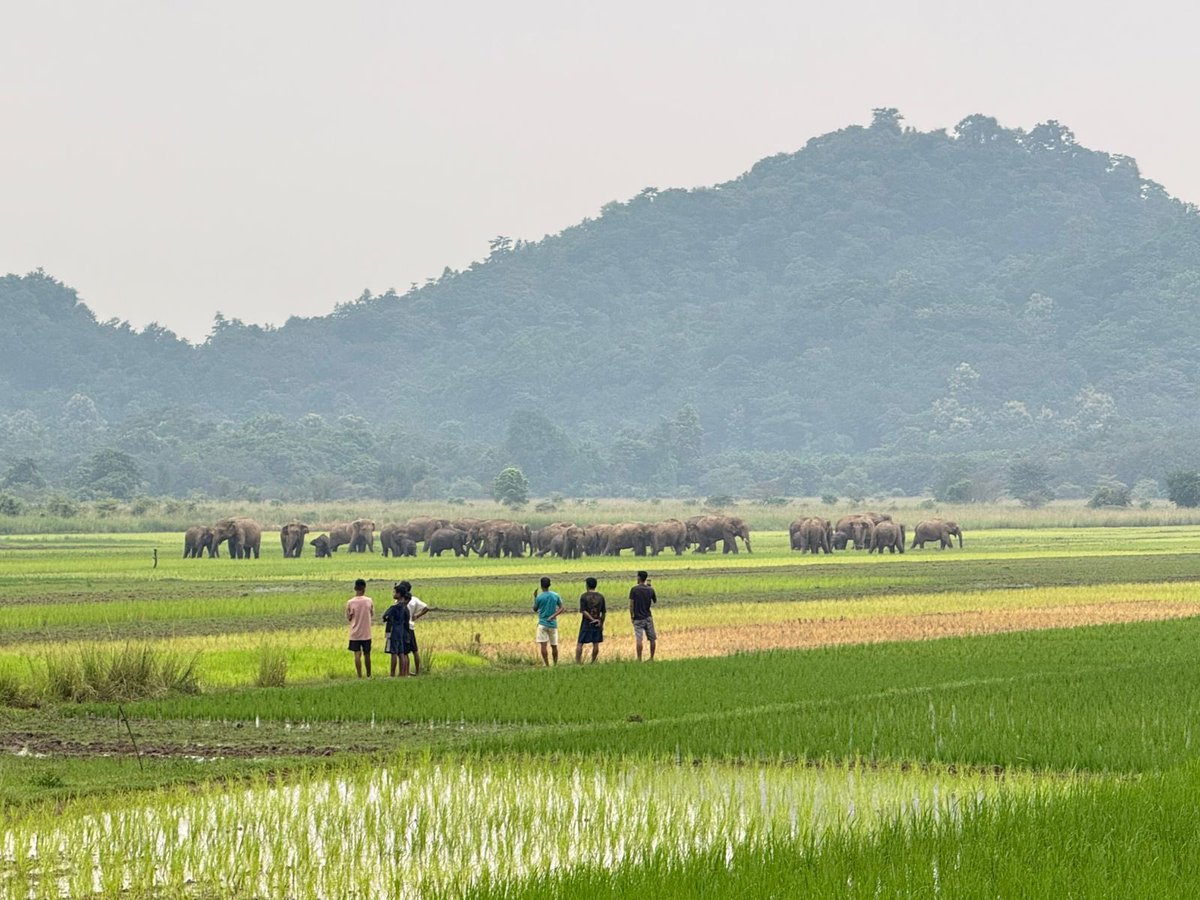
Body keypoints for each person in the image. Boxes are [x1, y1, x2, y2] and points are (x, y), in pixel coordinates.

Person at [396, 580, 430, 676]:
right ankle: (417, 672)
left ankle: (404, 672)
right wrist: (417, 616)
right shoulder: (414, 599)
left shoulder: (399, 600)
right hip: (411, 627)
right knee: (414, 650)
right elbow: (426, 607)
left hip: (403, 627)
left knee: (404, 652)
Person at [532, 576, 564, 666]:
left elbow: (535, 609)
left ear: (541, 585)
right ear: (549, 585)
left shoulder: (539, 597)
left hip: (542, 623)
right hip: (553, 624)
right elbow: (562, 608)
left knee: (543, 646)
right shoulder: (555, 595)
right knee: (554, 646)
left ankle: (547, 665)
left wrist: (535, 598)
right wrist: (553, 616)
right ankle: (555, 664)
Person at [345, 578, 374, 678]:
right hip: (366, 633)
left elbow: (349, 617)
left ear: (355, 588)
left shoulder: (350, 602)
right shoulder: (369, 601)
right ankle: (369, 675)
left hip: (355, 634)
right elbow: (372, 614)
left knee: (357, 654)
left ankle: (359, 676)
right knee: (367, 654)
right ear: (364, 588)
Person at [383, 582, 413, 677]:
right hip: (401, 632)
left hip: (394, 631)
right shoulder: (405, 608)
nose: (394, 594)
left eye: (395, 593)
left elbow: (385, 616)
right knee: (401, 653)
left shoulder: (394, 608)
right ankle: (402, 673)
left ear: (399, 594)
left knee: (394, 653)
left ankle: (392, 674)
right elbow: (407, 621)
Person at [576, 576, 606, 664]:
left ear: (587, 585)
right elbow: (603, 612)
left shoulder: (584, 596)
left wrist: (591, 619)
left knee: (580, 642)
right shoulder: (601, 597)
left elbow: (583, 611)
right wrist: (601, 623)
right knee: (596, 643)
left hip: (586, 623)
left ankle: (578, 662)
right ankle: (593, 661)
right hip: (597, 622)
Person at [629, 570, 657, 661]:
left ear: (639, 578)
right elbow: (655, 601)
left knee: (639, 639)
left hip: (638, 618)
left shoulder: (634, 589)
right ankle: (651, 658)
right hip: (648, 616)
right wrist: (650, 588)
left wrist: (632, 616)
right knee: (652, 638)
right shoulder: (650, 589)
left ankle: (639, 658)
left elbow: (631, 605)